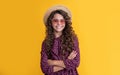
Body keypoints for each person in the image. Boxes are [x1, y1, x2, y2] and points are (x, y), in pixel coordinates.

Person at [40, 5, 80, 75]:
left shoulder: (73, 39)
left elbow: (76, 62)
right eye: (56, 20)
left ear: (66, 22)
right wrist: (68, 61)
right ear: (51, 22)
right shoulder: (45, 43)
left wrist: (53, 62)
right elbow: (45, 68)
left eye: (62, 21)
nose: (59, 23)